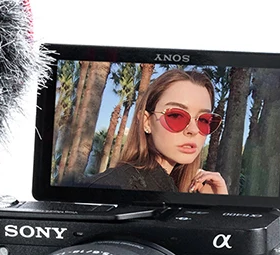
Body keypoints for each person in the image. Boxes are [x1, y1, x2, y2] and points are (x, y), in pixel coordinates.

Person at [86, 69, 229, 194]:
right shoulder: (106, 188)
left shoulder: (180, 188)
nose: (193, 130)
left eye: (204, 120)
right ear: (147, 122)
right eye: (176, 116)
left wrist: (213, 205)